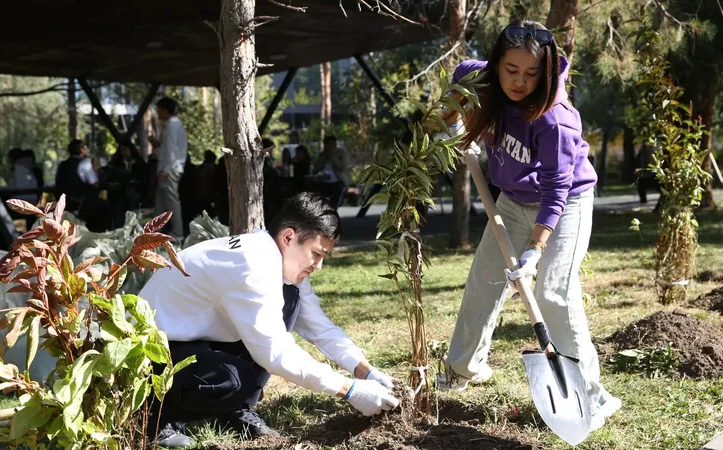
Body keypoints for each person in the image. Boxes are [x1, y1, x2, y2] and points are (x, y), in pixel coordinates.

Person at [438, 20, 621, 432]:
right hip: (511, 199)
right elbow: (455, 91)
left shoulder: (555, 117)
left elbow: (559, 186)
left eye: (531, 73)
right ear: (497, 63)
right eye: (511, 70)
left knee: (553, 292)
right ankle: (464, 368)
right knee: (483, 280)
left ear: (546, 71)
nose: (519, 81)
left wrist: (535, 249)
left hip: (566, 203)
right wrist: (453, 121)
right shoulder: (476, 75)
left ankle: (592, 397)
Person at [140, 192, 399, 448]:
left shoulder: (275, 261)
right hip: (152, 355)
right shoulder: (253, 267)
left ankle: (232, 409)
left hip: (191, 339)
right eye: (316, 254)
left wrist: (365, 371)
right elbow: (275, 353)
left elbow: (319, 327)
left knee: (290, 300)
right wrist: (349, 390)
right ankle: (156, 416)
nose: (318, 266)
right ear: (288, 237)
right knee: (233, 380)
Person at [148, 97, 188, 240]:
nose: (157, 113)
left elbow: (171, 150)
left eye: (158, 110)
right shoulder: (174, 124)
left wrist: (165, 169)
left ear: (165, 110)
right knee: (160, 200)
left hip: (170, 169)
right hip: (170, 167)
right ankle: (151, 231)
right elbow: (168, 148)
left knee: (172, 201)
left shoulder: (172, 125)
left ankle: (178, 233)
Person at [55, 139, 110, 231]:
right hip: (82, 202)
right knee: (107, 207)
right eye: (86, 148)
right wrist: (95, 169)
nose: (87, 150)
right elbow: (95, 183)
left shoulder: (62, 165)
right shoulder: (85, 163)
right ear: (81, 149)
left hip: (65, 202)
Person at [311, 136, 350, 207]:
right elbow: (316, 169)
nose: (328, 147)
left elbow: (342, 168)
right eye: (326, 144)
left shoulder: (341, 153)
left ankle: (333, 209)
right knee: (314, 189)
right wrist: (323, 158)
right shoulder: (323, 154)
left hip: (338, 180)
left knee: (338, 190)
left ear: (334, 145)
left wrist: (333, 158)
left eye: (330, 144)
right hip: (324, 181)